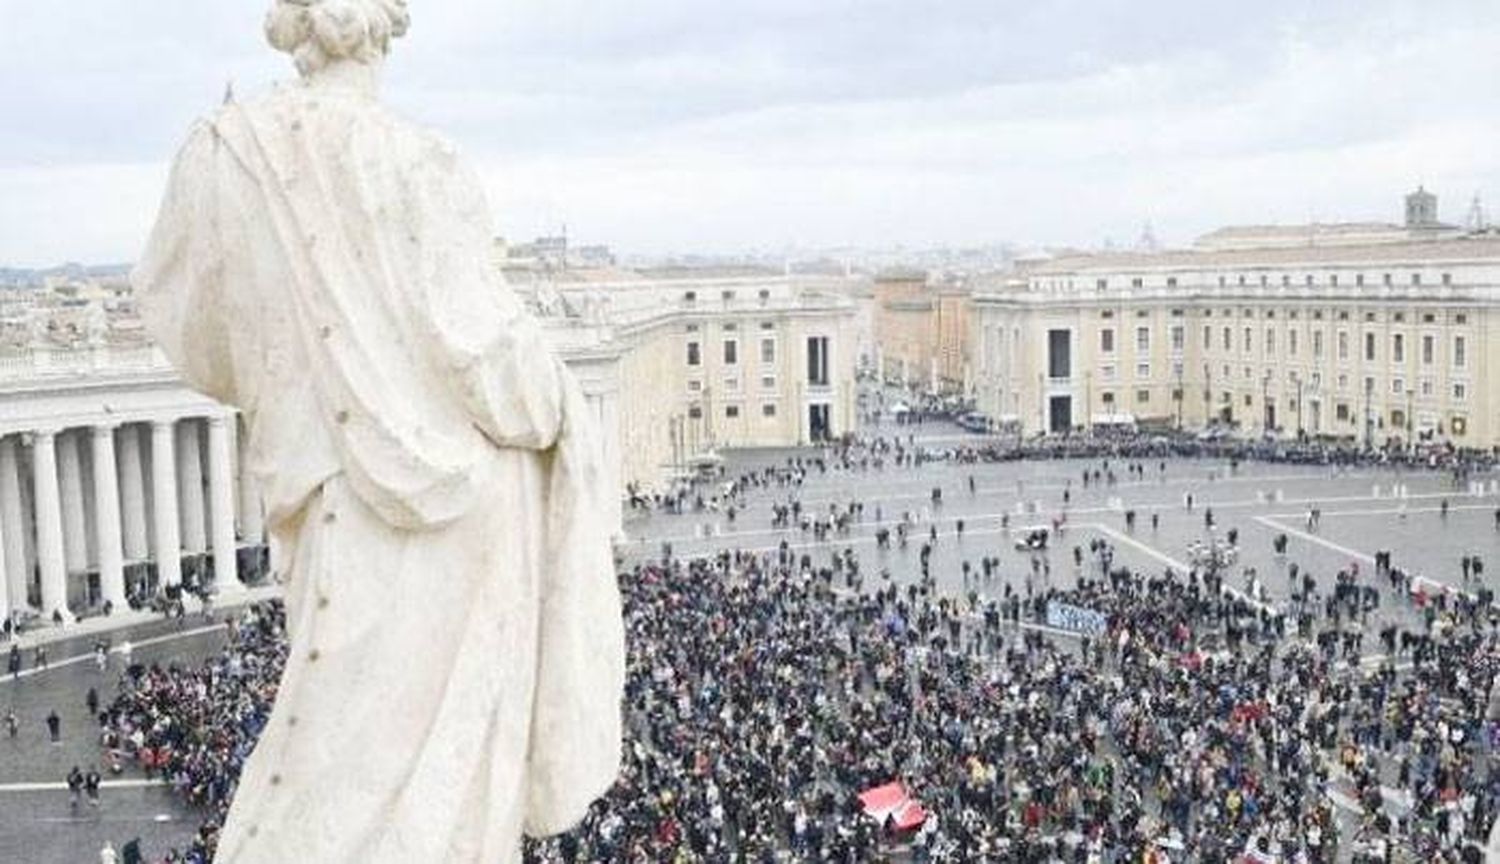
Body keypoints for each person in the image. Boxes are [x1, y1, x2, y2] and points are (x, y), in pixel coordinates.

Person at [132, 3, 626, 860]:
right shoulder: (418, 163)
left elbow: (198, 337)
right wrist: (563, 412)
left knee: (331, 753)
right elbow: (487, 361)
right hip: (452, 526)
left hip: (323, 489)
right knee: (416, 792)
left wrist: (297, 376)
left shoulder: (216, 155)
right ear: (385, 27)